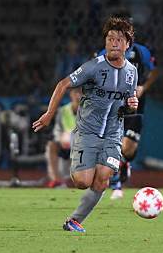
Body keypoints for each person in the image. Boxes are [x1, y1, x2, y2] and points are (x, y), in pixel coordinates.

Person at [33, 16, 139, 232]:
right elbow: (63, 85)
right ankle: (110, 166)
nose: (114, 43)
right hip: (87, 132)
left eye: (119, 39)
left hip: (113, 134)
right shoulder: (93, 67)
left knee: (102, 180)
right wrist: (49, 114)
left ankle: (74, 221)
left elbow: (127, 106)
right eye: (110, 39)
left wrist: (132, 106)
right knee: (82, 181)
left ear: (127, 44)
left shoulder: (132, 73)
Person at [97, 11, 158, 199]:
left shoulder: (141, 51)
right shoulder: (103, 53)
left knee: (128, 149)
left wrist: (143, 87)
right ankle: (116, 185)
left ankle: (125, 163)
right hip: (113, 107)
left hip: (136, 106)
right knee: (114, 145)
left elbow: (154, 71)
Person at [45, 88, 81, 188]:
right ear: (71, 94)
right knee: (52, 145)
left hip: (83, 146)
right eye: (76, 92)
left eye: (81, 93)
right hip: (66, 145)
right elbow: (57, 130)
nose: (78, 96)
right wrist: (60, 138)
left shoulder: (90, 111)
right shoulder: (63, 111)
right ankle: (57, 180)